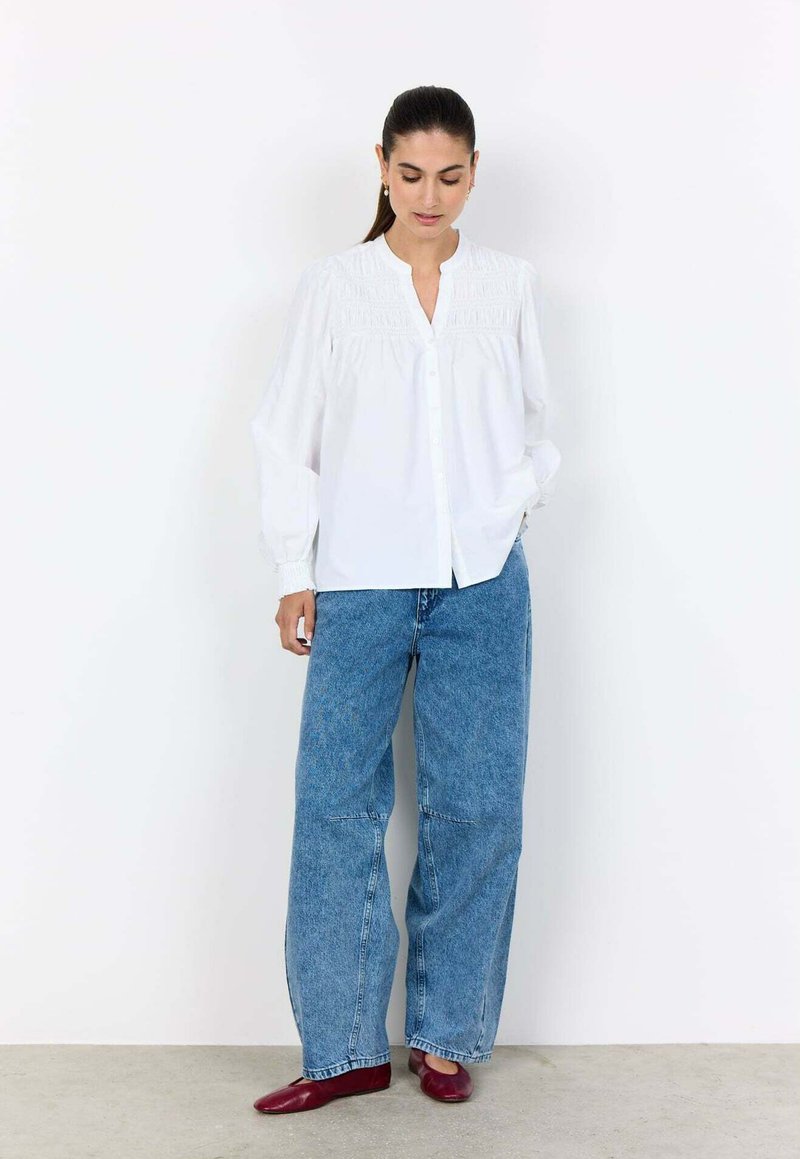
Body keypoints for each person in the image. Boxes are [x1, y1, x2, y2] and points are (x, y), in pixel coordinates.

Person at [249, 85, 562, 1115]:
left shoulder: (508, 285)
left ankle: (445, 1034)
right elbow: (285, 433)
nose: (430, 195)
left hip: (483, 580)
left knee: (478, 807)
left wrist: (505, 505)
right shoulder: (333, 288)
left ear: (474, 173)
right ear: (381, 166)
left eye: (451, 175)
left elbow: (536, 423)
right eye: (412, 173)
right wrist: (292, 567)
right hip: (359, 577)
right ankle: (340, 1047)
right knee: (335, 805)